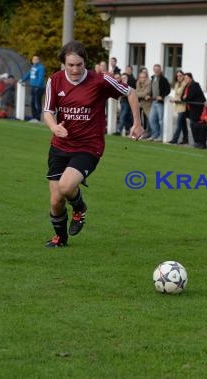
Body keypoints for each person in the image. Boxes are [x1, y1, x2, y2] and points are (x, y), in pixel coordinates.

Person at [43, 40, 143, 248]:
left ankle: (79, 209)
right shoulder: (55, 81)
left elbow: (131, 93)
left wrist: (137, 122)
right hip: (60, 145)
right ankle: (60, 239)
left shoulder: (100, 80)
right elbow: (48, 112)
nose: (75, 69)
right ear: (63, 64)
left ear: (85, 63)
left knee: (66, 185)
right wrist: (54, 127)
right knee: (56, 201)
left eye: (79, 64)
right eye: (70, 65)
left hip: (89, 146)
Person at [146, 64, 171, 141]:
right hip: (153, 102)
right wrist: (148, 95)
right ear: (153, 70)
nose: (156, 71)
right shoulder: (153, 78)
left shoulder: (164, 79)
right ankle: (155, 134)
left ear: (160, 70)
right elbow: (151, 89)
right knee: (151, 119)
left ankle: (161, 136)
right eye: (155, 70)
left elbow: (168, 90)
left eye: (158, 70)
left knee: (161, 120)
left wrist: (162, 96)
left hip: (160, 103)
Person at [182, 72, 206, 148]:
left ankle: (199, 142)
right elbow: (182, 96)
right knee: (193, 125)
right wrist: (184, 97)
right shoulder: (186, 86)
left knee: (196, 125)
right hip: (191, 109)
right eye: (184, 78)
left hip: (197, 109)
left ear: (191, 78)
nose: (185, 80)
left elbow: (189, 96)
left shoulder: (195, 85)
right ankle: (197, 141)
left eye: (187, 78)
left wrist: (185, 97)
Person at [20, 55, 46, 121]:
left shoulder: (41, 68)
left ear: (39, 60)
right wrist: (22, 80)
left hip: (39, 88)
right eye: (33, 59)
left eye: (36, 59)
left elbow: (41, 77)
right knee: (32, 102)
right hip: (33, 87)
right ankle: (34, 117)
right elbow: (28, 74)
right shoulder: (33, 67)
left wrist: (37, 86)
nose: (34, 60)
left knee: (37, 102)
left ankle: (38, 118)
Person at [169, 70, 189, 144]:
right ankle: (185, 139)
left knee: (179, 124)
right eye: (177, 76)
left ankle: (174, 139)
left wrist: (175, 99)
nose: (179, 77)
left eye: (180, 75)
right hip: (178, 106)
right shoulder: (177, 84)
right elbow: (176, 94)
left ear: (183, 76)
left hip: (183, 106)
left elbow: (183, 96)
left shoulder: (185, 84)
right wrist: (175, 99)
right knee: (183, 124)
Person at [135, 69, 152, 138]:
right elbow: (136, 93)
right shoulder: (138, 82)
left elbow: (146, 92)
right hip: (140, 103)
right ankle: (140, 132)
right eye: (141, 77)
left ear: (147, 77)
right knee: (138, 118)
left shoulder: (149, 82)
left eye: (144, 77)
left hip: (147, 104)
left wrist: (139, 94)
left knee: (149, 119)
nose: (143, 79)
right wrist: (141, 94)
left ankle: (148, 133)